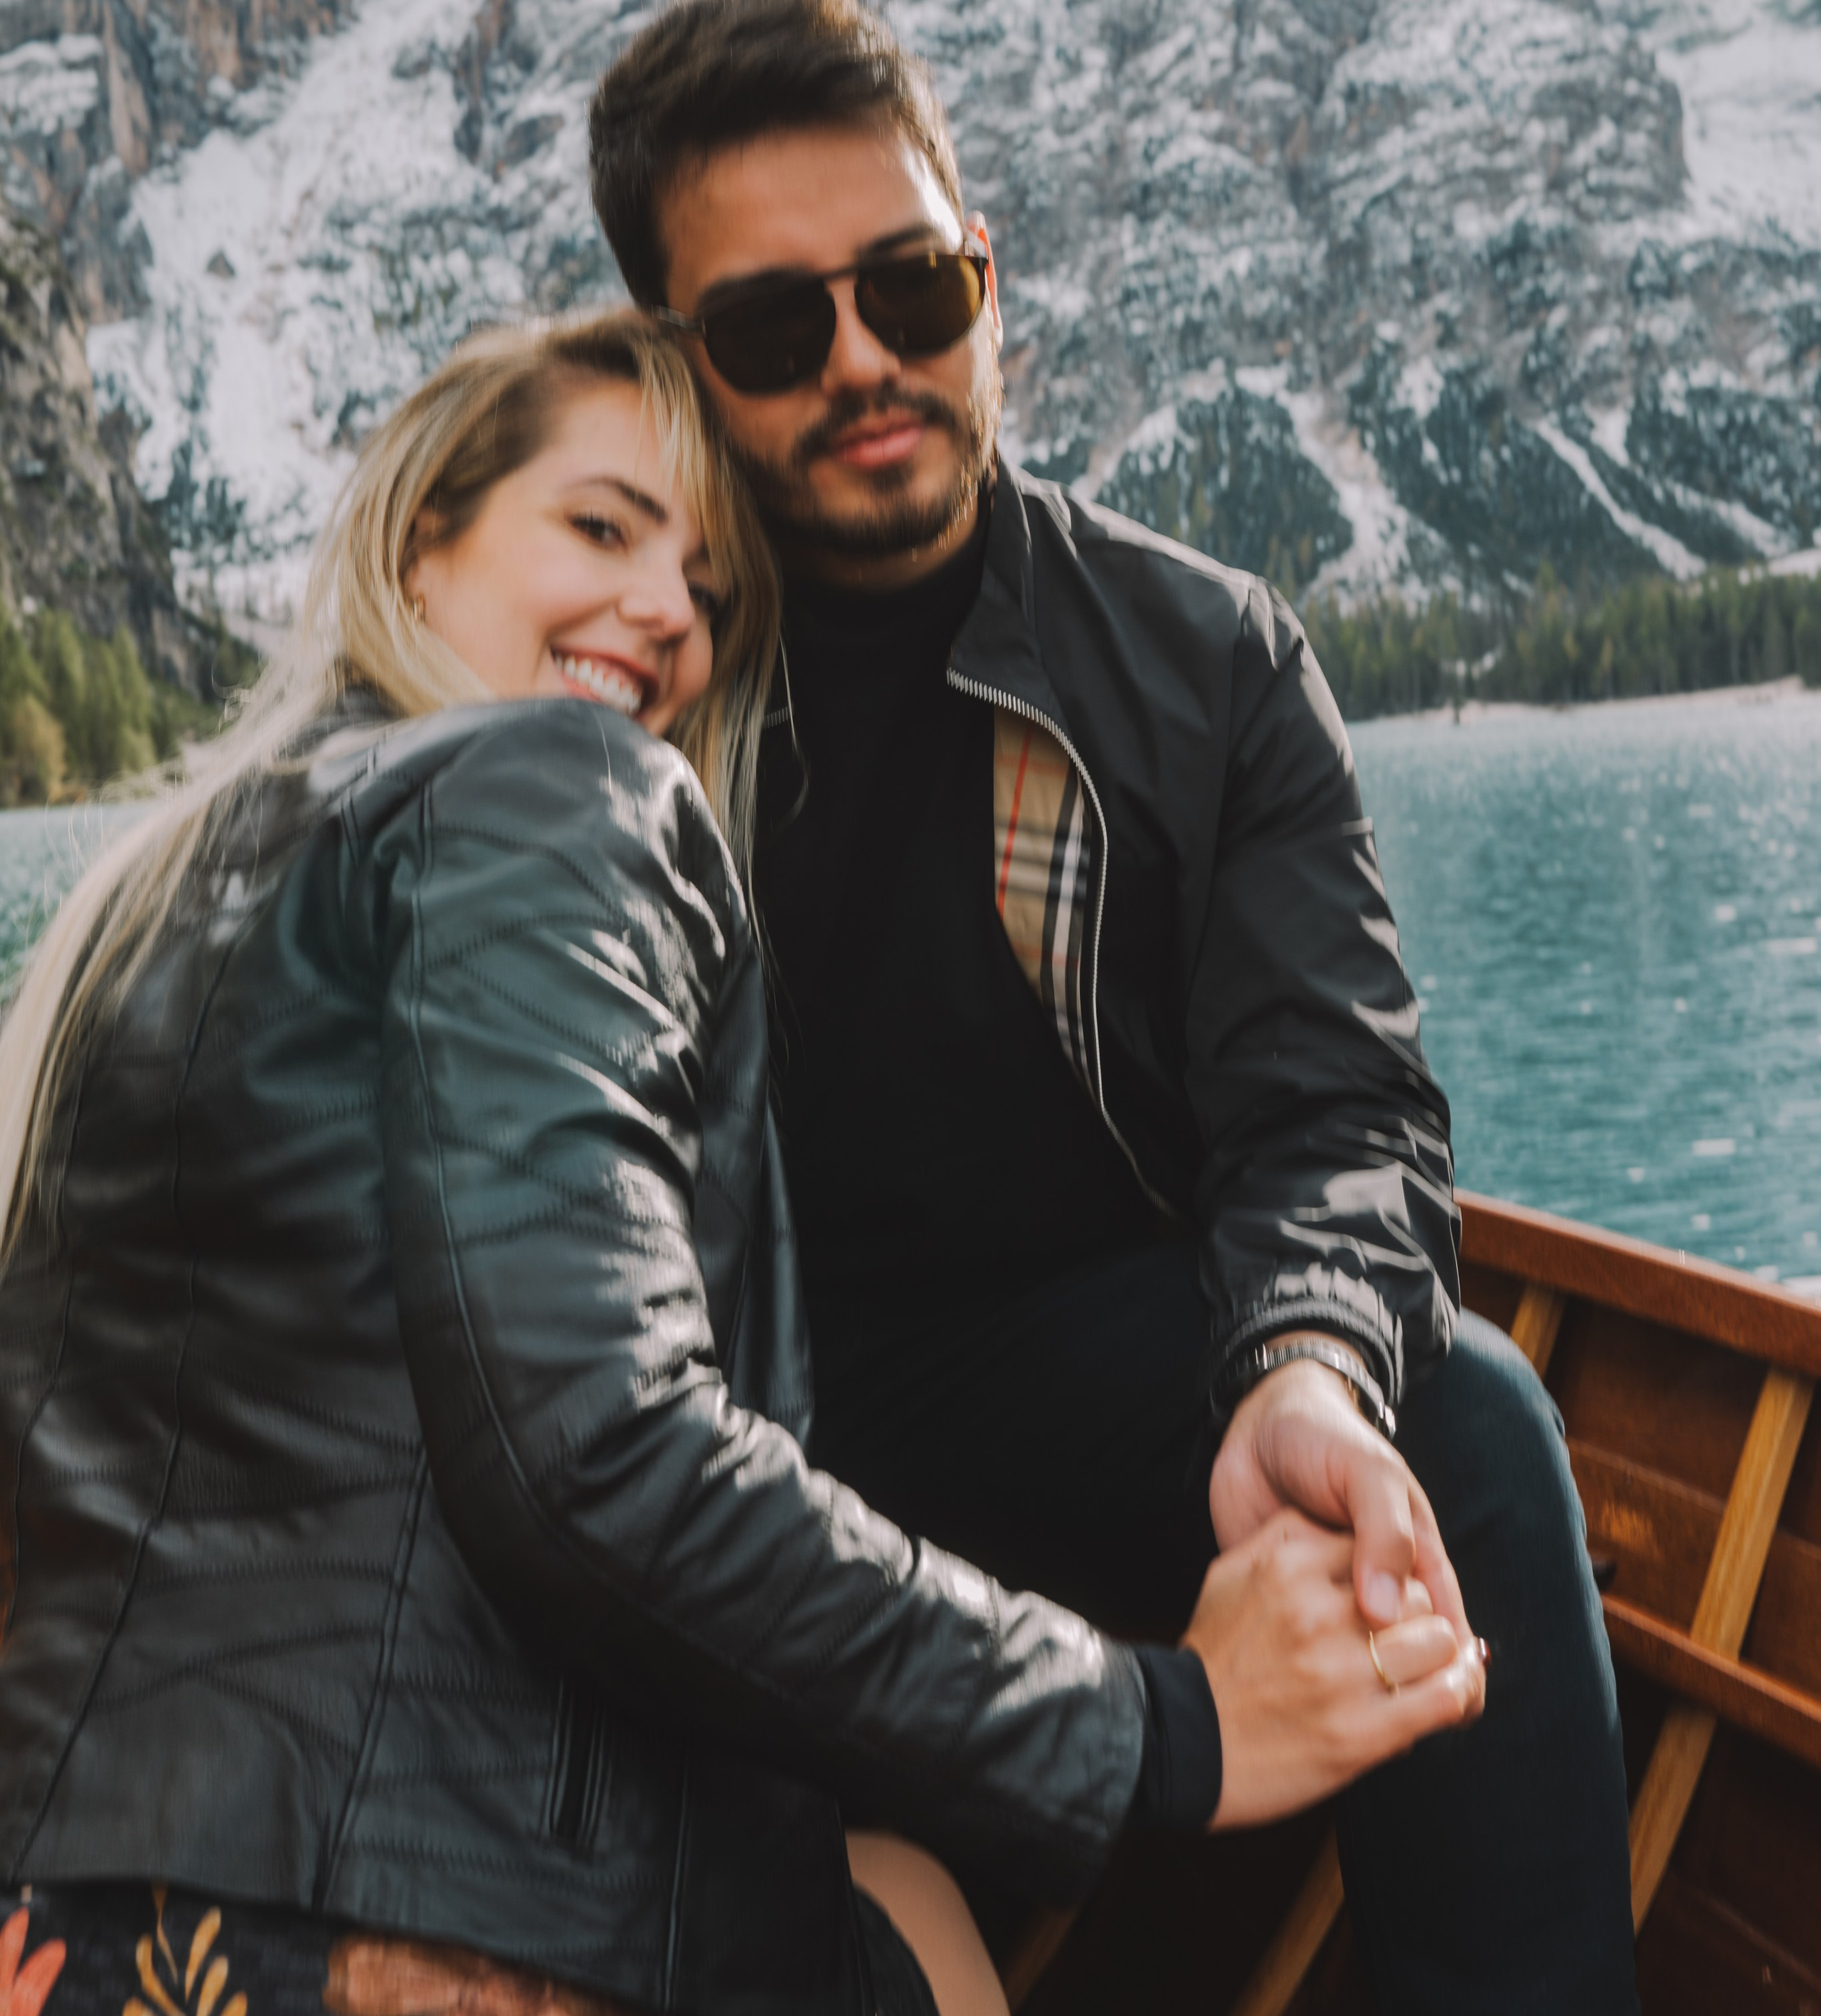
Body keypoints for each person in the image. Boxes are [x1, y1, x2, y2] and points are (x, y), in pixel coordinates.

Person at [0, 310, 1481, 2016]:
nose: (662, 617)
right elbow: (601, 1449)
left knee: (889, 1883)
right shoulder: (541, 784)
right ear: (425, 541)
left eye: (706, 589)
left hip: (87, 1923)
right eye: (602, 528)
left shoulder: (147, 901)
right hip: (429, 1939)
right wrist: (1161, 1726)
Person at [588, 0, 1641, 2012]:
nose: (868, 362)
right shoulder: (623, 683)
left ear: (987, 277)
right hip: (739, 1472)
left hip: (1120, 1435)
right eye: (779, 327)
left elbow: (1332, 1111)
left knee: (1461, 1416)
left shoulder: (1207, 661)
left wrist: (1303, 1374)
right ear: (677, 362)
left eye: (914, 290)